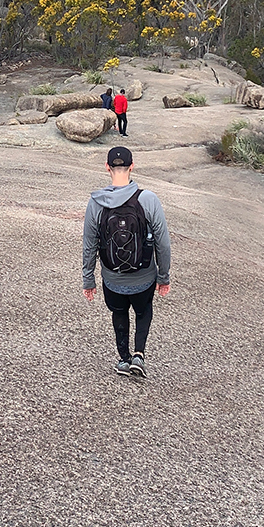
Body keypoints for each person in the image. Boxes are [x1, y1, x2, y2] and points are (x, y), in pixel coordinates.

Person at [82, 145, 171, 377]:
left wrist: (88, 279)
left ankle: (123, 359)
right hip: (144, 277)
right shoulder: (148, 199)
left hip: (112, 279)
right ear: (132, 166)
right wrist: (164, 276)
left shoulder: (96, 203)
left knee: (119, 312)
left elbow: (89, 243)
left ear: (107, 167)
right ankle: (139, 355)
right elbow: (163, 242)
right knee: (143, 311)